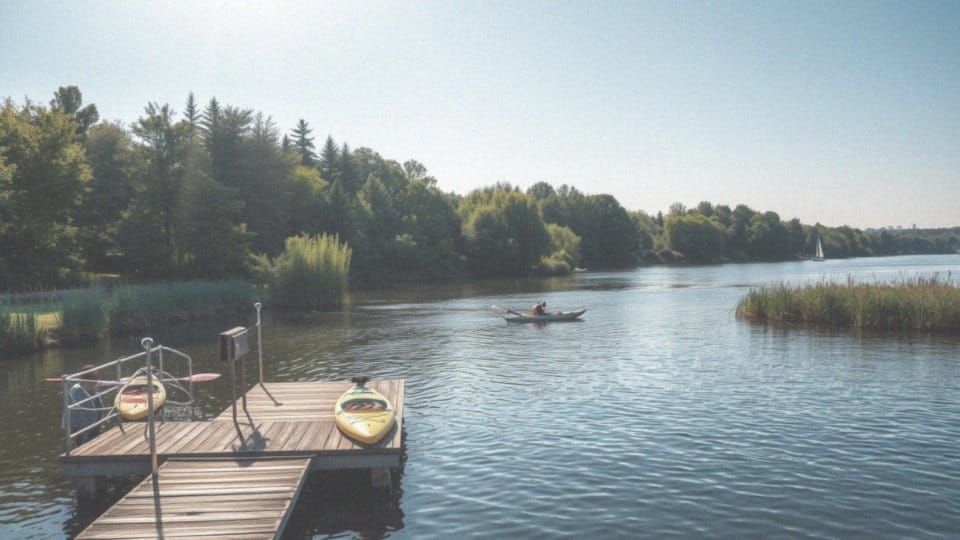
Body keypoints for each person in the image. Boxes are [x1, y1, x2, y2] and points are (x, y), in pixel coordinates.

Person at [61, 365, 104, 445]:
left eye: (96, 377)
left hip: (92, 422)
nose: (96, 380)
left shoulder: (93, 390)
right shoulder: (77, 391)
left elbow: (93, 393)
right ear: (85, 379)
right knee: (83, 441)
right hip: (80, 425)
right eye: (93, 377)